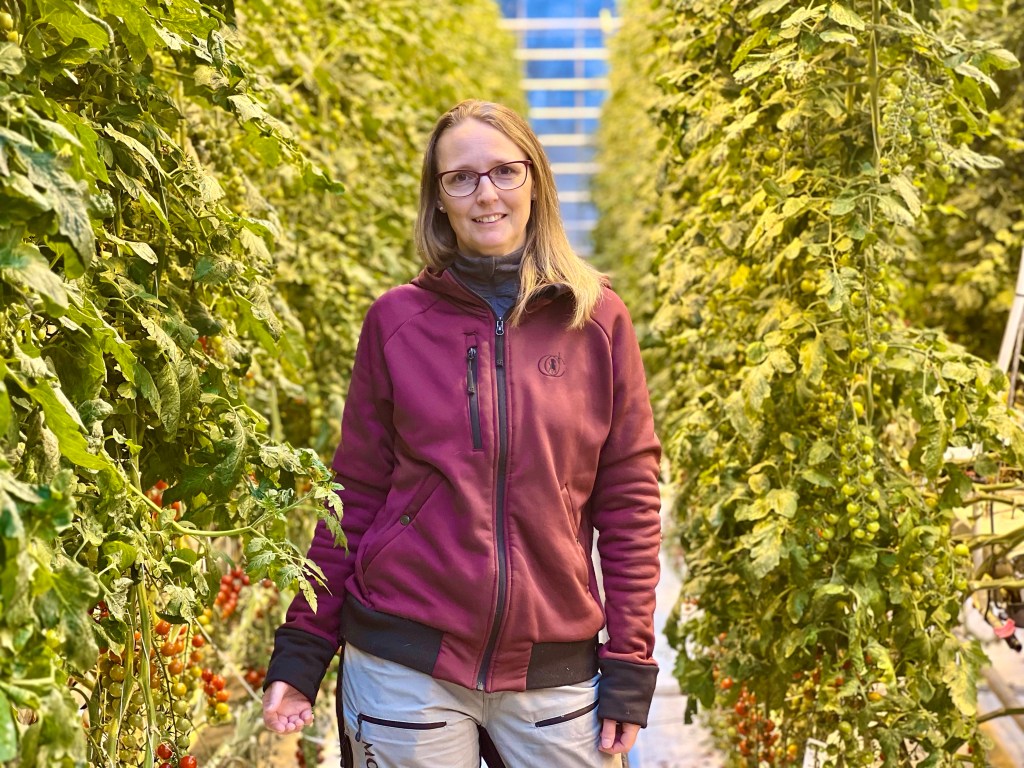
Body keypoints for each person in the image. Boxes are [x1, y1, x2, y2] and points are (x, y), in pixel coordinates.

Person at [261, 99, 662, 767]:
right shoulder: (396, 322)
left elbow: (630, 501)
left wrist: (630, 663)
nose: (486, 194)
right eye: (461, 178)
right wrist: (302, 651)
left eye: (505, 171)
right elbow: (354, 495)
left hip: (552, 667)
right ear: (439, 198)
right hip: (402, 659)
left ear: (535, 180)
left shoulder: (597, 322)